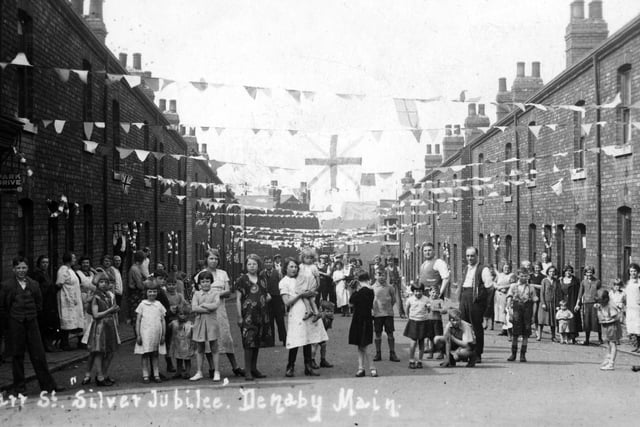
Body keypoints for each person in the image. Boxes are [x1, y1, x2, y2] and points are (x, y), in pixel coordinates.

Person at [0, 256, 62, 395]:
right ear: (13, 269)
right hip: (16, 323)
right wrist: (10, 322)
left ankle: (48, 386)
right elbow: (3, 306)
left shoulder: (34, 284)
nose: (21, 270)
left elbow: (39, 303)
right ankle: (20, 389)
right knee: (17, 355)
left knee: (38, 354)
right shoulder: (7, 285)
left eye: (24, 268)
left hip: (32, 322)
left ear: (27, 269)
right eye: (18, 268)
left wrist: (32, 315)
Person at [195, 249, 244, 377]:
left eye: (216, 259)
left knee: (226, 337)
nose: (214, 261)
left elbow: (228, 291)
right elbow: (198, 294)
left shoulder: (223, 274)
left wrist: (214, 294)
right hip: (206, 311)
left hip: (220, 311)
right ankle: (212, 368)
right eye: (211, 258)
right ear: (206, 260)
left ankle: (235, 366)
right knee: (208, 339)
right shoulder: (200, 275)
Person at [280, 257, 328, 377]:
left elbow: (312, 289)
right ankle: (290, 366)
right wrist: (301, 295)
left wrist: (311, 292)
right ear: (285, 268)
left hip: (307, 313)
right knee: (296, 340)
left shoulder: (301, 279)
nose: (294, 269)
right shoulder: (284, 282)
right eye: (291, 266)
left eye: (296, 267)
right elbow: (286, 302)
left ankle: (308, 367)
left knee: (308, 339)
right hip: (296, 313)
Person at [235, 254, 273, 381]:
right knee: (248, 342)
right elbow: (238, 299)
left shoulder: (262, 279)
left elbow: (265, 293)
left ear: (258, 265)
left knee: (257, 342)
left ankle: (254, 368)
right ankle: (247, 371)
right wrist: (239, 316)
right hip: (248, 315)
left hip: (261, 315)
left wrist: (267, 297)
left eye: (254, 264)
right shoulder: (242, 280)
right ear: (246, 266)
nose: (252, 266)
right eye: (249, 264)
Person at [82, 271, 120, 386]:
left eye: (106, 282)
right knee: (98, 351)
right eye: (101, 282)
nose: (103, 284)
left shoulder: (108, 295)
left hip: (109, 325)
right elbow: (96, 315)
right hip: (100, 326)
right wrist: (110, 310)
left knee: (110, 351)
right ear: (97, 284)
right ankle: (99, 376)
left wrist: (114, 312)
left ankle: (104, 373)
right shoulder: (96, 297)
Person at [458, 247, 492, 362]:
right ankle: (466, 352)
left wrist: (485, 306)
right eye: (467, 256)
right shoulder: (466, 268)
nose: (469, 258)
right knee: (464, 326)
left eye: (472, 256)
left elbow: (489, 288)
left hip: (476, 301)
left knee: (476, 327)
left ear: (477, 256)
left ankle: (477, 354)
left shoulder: (483, 269)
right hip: (464, 298)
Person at [190, 270, 222, 382]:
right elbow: (194, 308)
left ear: (211, 282)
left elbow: (215, 305)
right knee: (200, 348)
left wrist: (203, 305)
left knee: (214, 347)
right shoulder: (196, 294)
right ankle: (199, 371)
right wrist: (206, 309)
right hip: (199, 323)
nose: (205, 284)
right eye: (203, 281)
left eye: (207, 281)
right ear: (199, 283)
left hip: (211, 323)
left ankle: (217, 371)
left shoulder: (215, 294)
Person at [134, 280, 167, 384]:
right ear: (146, 292)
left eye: (154, 291)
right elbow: (138, 320)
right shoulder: (142, 305)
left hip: (156, 333)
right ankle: (145, 375)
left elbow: (163, 320)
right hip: (145, 334)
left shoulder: (159, 304)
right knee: (145, 354)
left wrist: (163, 335)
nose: (152, 293)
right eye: (150, 291)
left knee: (155, 354)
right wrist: (138, 335)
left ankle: (156, 374)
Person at [348, 271, 377, 377]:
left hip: (359, 319)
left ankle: (371, 367)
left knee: (363, 346)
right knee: (362, 345)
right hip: (367, 318)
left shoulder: (361, 291)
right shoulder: (370, 290)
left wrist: (352, 290)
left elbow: (351, 302)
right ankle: (361, 368)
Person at [29, 255, 60, 352]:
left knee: (48, 324)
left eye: (47, 262)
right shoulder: (38, 275)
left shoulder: (46, 274)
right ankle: (44, 344)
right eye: (43, 262)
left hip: (49, 303)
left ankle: (47, 343)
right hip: (43, 303)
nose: (45, 264)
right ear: (39, 263)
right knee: (44, 325)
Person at [506, 267, 538, 362]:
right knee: (515, 333)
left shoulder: (530, 287)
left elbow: (535, 301)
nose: (523, 277)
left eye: (525, 276)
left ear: (528, 276)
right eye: (521, 276)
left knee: (525, 333)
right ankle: (513, 353)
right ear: (518, 276)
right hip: (516, 310)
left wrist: (533, 315)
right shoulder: (513, 286)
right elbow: (509, 298)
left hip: (527, 310)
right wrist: (509, 310)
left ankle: (523, 354)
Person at [56, 252, 84, 351]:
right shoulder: (63, 270)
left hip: (74, 299)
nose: (75, 259)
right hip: (67, 299)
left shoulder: (70, 270)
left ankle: (77, 341)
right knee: (66, 320)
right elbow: (59, 283)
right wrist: (68, 294)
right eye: (73, 258)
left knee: (76, 320)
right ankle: (64, 343)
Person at [372, 267, 400, 362]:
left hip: (388, 314)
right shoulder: (372, 288)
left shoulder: (390, 287)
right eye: (378, 274)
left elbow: (393, 300)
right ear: (375, 276)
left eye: (383, 274)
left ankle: (392, 353)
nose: (381, 277)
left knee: (390, 334)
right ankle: (378, 353)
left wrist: (388, 308)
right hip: (377, 315)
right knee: (378, 334)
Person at [260, 256, 286, 346]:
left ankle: (284, 339)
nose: (268, 264)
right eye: (266, 262)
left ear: (273, 263)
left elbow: (282, 285)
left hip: (277, 298)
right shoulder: (261, 274)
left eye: (270, 262)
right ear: (264, 263)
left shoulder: (277, 273)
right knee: (269, 320)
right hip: (267, 298)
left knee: (280, 319)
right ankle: (270, 341)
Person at [403, 283, 429, 369]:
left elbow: (429, 310)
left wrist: (428, 307)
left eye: (420, 291)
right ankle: (411, 360)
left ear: (423, 291)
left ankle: (420, 361)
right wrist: (409, 318)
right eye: (416, 291)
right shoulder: (410, 299)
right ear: (413, 291)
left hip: (423, 321)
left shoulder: (426, 299)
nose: (418, 293)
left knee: (421, 342)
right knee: (413, 342)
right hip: (413, 321)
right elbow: (407, 309)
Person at [595, 289, 621, 370]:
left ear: (605, 300)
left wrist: (607, 321)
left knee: (612, 343)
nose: (600, 303)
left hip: (612, 326)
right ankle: (608, 358)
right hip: (606, 326)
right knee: (608, 343)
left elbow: (617, 317)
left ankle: (611, 363)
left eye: (601, 302)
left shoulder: (610, 306)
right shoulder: (601, 306)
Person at [164, 277, 186, 374]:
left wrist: (179, 308)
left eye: (173, 284)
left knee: (180, 342)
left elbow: (185, 307)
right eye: (169, 284)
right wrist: (169, 309)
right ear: (166, 285)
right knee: (168, 344)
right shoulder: (164, 296)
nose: (172, 287)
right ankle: (169, 363)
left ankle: (180, 365)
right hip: (168, 322)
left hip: (178, 321)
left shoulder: (180, 296)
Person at [576, 266, 602, 346]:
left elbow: (600, 293)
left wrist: (599, 303)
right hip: (586, 303)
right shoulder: (583, 282)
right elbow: (580, 294)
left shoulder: (597, 281)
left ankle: (600, 338)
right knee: (587, 322)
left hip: (594, 304)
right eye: (587, 272)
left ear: (593, 273)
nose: (589, 274)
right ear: (585, 273)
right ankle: (587, 339)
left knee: (596, 321)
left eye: (590, 272)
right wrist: (577, 304)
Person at [168, 304, 195, 379]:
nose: (183, 316)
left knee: (187, 359)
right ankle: (178, 372)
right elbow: (168, 328)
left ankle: (187, 372)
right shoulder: (174, 323)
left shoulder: (190, 324)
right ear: (177, 314)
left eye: (185, 314)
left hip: (187, 345)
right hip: (177, 344)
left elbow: (193, 334)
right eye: (181, 314)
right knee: (178, 358)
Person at [538, 265, 562, 342]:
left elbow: (558, 293)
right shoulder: (544, 281)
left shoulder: (556, 281)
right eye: (550, 271)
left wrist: (558, 304)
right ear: (548, 272)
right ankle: (539, 335)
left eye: (553, 271)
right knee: (542, 320)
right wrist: (543, 303)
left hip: (554, 303)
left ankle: (553, 336)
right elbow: (542, 292)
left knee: (553, 321)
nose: (552, 273)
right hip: (545, 302)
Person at [559, 265, 582, 344]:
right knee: (564, 318)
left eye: (569, 271)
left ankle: (573, 337)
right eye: (566, 271)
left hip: (573, 301)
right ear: (564, 272)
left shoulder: (576, 280)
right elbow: (559, 292)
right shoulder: (561, 280)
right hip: (564, 302)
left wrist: (578, 304)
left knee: (573, 319)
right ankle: (565, 337)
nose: (568, 272)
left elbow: (580, 293)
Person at [296, 247, 321, 321]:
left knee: (311, 299)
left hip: (311, 286)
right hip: (303, 286)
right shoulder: (301, 266)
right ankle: (311, 311)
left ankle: (313, 312)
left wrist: (317, 285)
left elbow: (317, 277)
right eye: (307, 258)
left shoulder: (313, 267)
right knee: (305, 297)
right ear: (303, 258)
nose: (309, 259)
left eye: (311, 258)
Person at [311, 300, 334, 369]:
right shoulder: (321, 316)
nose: (329, 313)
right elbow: (313, 320)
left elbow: (327, 328)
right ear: (322, 311)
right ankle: (312, 360)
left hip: (321, 333)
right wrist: (318, 316)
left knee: (323, 345)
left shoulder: (330, 318)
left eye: (331, 311)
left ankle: (323, 360)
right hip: (315, 333)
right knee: (314, 346)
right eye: (327, 311)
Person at [128, 250, 146, 333]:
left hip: (135, 294)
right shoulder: (135, 269)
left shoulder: (136, 268)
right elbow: (140, 285)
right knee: (137, 314)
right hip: (136, 294)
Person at [494, 263, 514, 336]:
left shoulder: (512, 275)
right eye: (505, 267)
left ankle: (508, 329)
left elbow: (513, 284)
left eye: (508, 268)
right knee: (500, 311)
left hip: (506, 294)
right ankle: (504, 328)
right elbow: (494, 282)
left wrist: (503, 287)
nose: (506, 269)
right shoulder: (500, 275)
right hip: (498, 295)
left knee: (506, 311)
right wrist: (497, 287)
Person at [425, 286, 445, 359]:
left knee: (438, 337)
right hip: (429, 321)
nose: (434, 294)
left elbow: (444, 310)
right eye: (433, 292)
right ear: (429, 293)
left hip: (437, 321)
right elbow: (423, 309)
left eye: (437, 293)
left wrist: (437, 309)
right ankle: (431, 352)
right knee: (430, 337)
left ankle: (441, 353)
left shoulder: (440, 301)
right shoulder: (427, 300)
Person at [625, 263, 640, 353]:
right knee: (633, 327)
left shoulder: (639, 283)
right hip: (630, 307)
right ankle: (637, 346)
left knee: (639, 327)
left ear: (638, 272)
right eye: (631, 271)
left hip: (638, 308)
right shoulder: (628, 282)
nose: (633, 273)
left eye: (634, 271)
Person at [529, 261, 545, 339]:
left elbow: (543, 286)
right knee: (530, 314)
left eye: (538, 267)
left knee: (537, 315)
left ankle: (538, 332)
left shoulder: (543, 277)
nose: (537, 269)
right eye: (535, 267)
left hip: (539, 296)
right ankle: (529, 331)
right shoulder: (530, 276)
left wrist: (534, 285)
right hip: (530, 296)